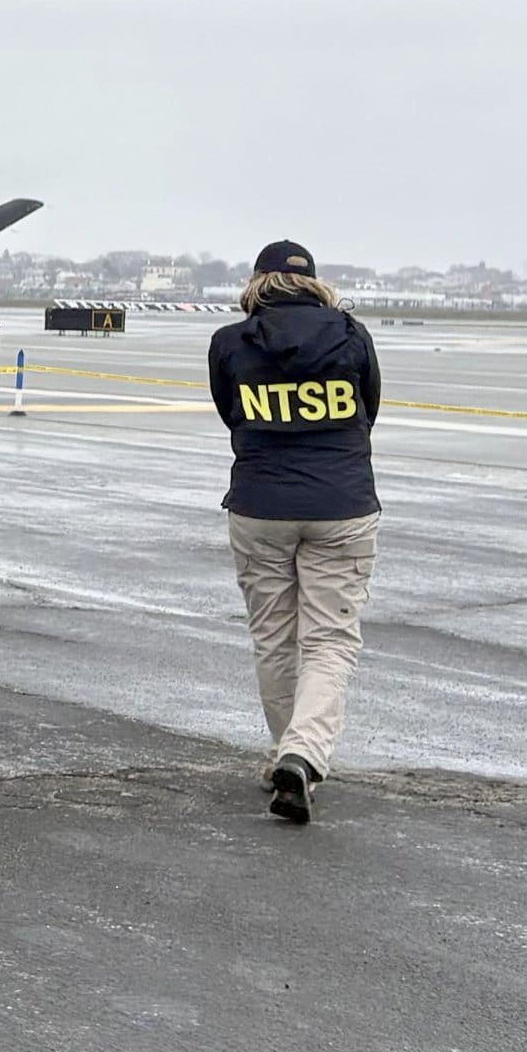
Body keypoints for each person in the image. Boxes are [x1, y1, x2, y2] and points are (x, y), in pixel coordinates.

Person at [209, 238, 383, 824]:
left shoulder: (230, 342)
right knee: (330, 640)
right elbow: (369, 408)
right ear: (315, 282)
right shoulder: (350, 334)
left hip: (260, 504)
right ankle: (303, 756)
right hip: (341, 502)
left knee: (274, 637)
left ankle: (290, 754)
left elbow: (230, 411)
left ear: (257, 282)